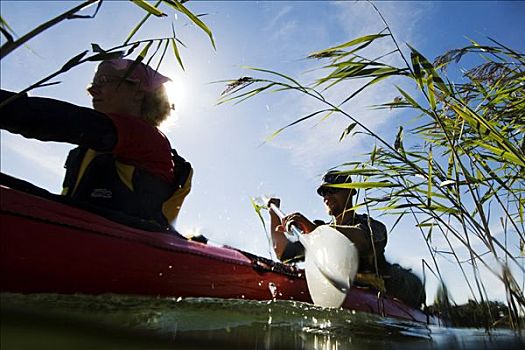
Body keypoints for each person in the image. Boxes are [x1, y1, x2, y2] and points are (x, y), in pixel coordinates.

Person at [0, 58, 192, 230]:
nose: (92, 90)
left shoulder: (147, 138)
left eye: (103, 81)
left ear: (138, 92)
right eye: (92, 83)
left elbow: (52, 119)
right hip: (76, 235)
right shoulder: (89, 150)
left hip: (121, 248)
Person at [268, 170, 426, 308]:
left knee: (415, 286)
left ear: (350, 192)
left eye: (333, 190)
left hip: (396, 284)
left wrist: (317, 231)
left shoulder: (370, 225)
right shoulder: (316, 234)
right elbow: (282, 253)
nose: (327, 196)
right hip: (349, 283)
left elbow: (363, 240)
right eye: (324, 193)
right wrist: (274, 214)